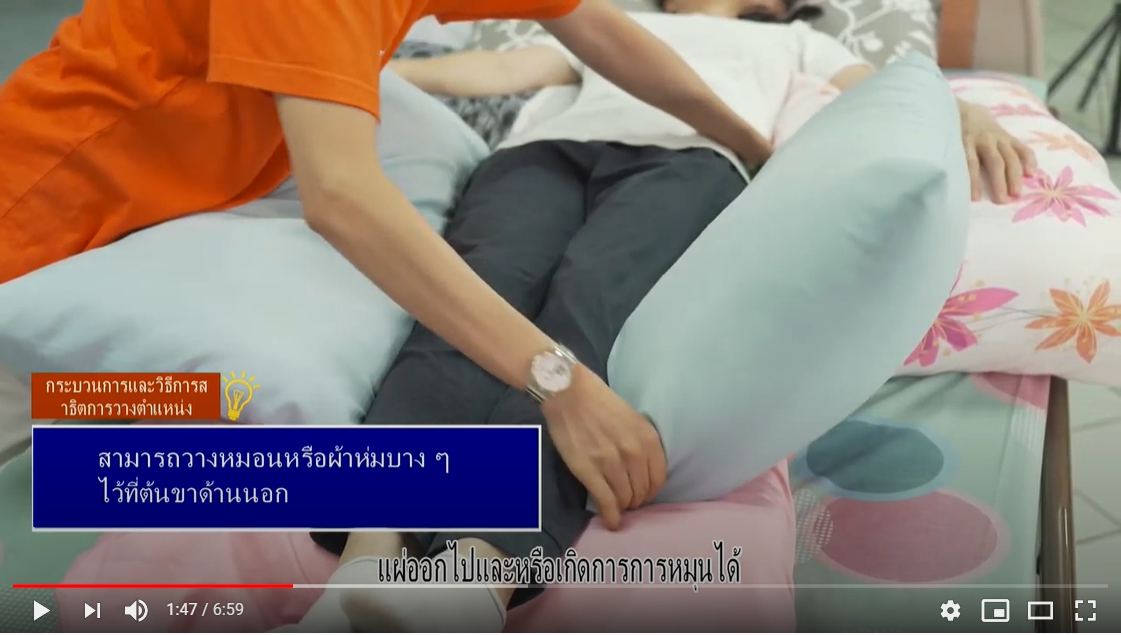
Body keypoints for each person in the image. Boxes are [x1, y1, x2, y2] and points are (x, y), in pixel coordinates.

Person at [286, 1, 1040, 633]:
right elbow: (498, 70)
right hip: (541, 154)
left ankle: (475, 574)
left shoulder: (796, 42)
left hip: (693, 163)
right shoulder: (612, 20)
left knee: (588, 316)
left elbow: (888, 97)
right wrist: (339, 76)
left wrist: (967, 109)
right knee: (470, 300)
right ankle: (364, 562)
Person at [0, 0, 768, 582]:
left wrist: (750, 143)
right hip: (35, 228)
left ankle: (418, 567)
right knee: (93, 450)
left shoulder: (785, 56)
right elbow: (342, 196)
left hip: (142, 224)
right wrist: (558, 382)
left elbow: (593, 27)